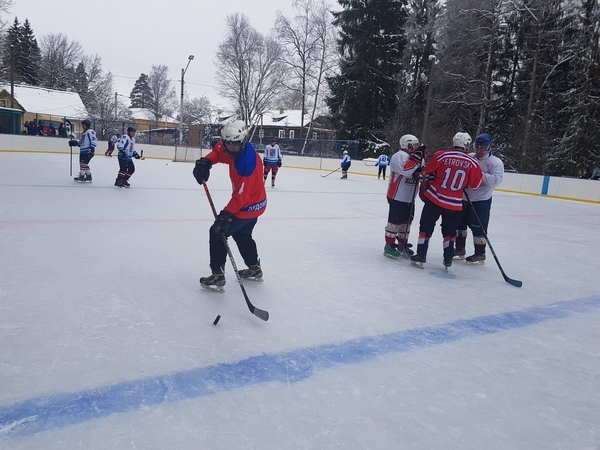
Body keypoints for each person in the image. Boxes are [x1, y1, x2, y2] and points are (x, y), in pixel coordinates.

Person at [193, 120, 267, 291]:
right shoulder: (230, 147)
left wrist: (226, 215)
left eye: (235, 144)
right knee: (242, 235)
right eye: (228, 143)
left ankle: (217, 276)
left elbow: (241, 197)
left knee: (217, 232)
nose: (231, 148)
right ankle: (254, 268)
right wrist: (207, 162)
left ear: (243, 140)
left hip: (247, 205)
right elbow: (219, 151)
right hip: (257, 202)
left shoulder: (246, 163)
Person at [410, 133, 483, 270]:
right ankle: (448, 258)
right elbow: (474, 185)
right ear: (467, 145)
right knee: (449, 232)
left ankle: (421, 254)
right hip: (454, 204)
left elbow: (427, 172)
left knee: (426, 228)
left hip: (434, 199)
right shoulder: (473, 162)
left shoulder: (441, 155)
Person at [454, 133, 504, 265]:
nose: (479, 150)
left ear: (489, 147)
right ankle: (459, 248)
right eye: (477, 147)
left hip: (481, 200)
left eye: (483, 148)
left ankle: (480, 252)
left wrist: (479, 175)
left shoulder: (495, 162)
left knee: (478, 226)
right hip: (464, 197)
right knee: (460, 224)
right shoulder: (469, 157)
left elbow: (496, 181)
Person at [383, 134, 424, 259]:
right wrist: (417, 160)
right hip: (397, 196)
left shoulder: (416, 157)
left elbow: (422, 171)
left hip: (409, 197)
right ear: (407, 144)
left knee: (407, 222)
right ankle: (389, 245)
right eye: (415, 144)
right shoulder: (399, 156)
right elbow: (406, 170)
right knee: (394, 222)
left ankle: (402, 243)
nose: (417, 147)